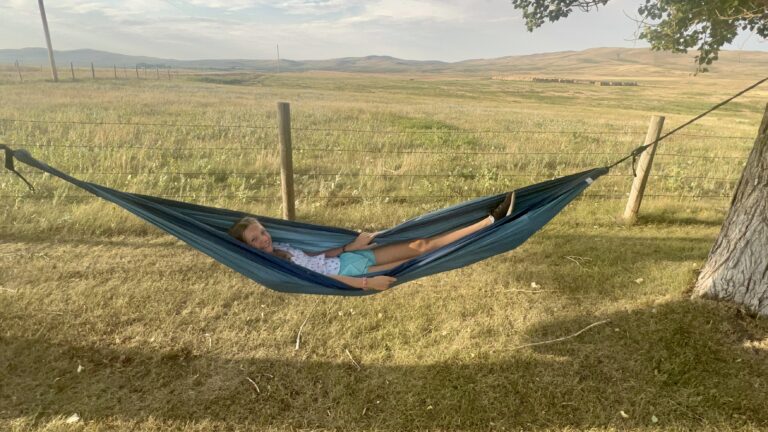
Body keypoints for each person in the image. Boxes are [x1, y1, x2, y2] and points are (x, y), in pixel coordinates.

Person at [228, 193, 514, 291]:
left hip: (350, 259)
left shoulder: (284, 248)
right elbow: (326, 281)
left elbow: (317, 254)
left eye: (263, 232)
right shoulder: (277, 270)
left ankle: (490, 221)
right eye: (255, 239)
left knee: (421, 245)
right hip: (353, 275)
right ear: (246, 247)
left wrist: (348, 247)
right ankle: (488, 231)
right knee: (421, 260)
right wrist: (368, 284)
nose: (264, 238)